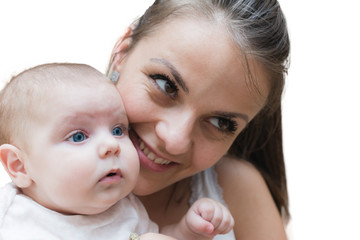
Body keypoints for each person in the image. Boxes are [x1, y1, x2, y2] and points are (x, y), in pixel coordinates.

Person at [106, 0, 291, 239]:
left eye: (221, 123)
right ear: (122, 51)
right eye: (166, 85)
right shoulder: (41, 158)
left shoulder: (237, 190)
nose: (175, 140)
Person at [0, 63, 234, 240]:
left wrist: (188, 231)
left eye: (118, 130)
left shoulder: (128, 210)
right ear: (19, 166)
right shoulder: (10, 212)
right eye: (79, 136)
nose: (112, 145)